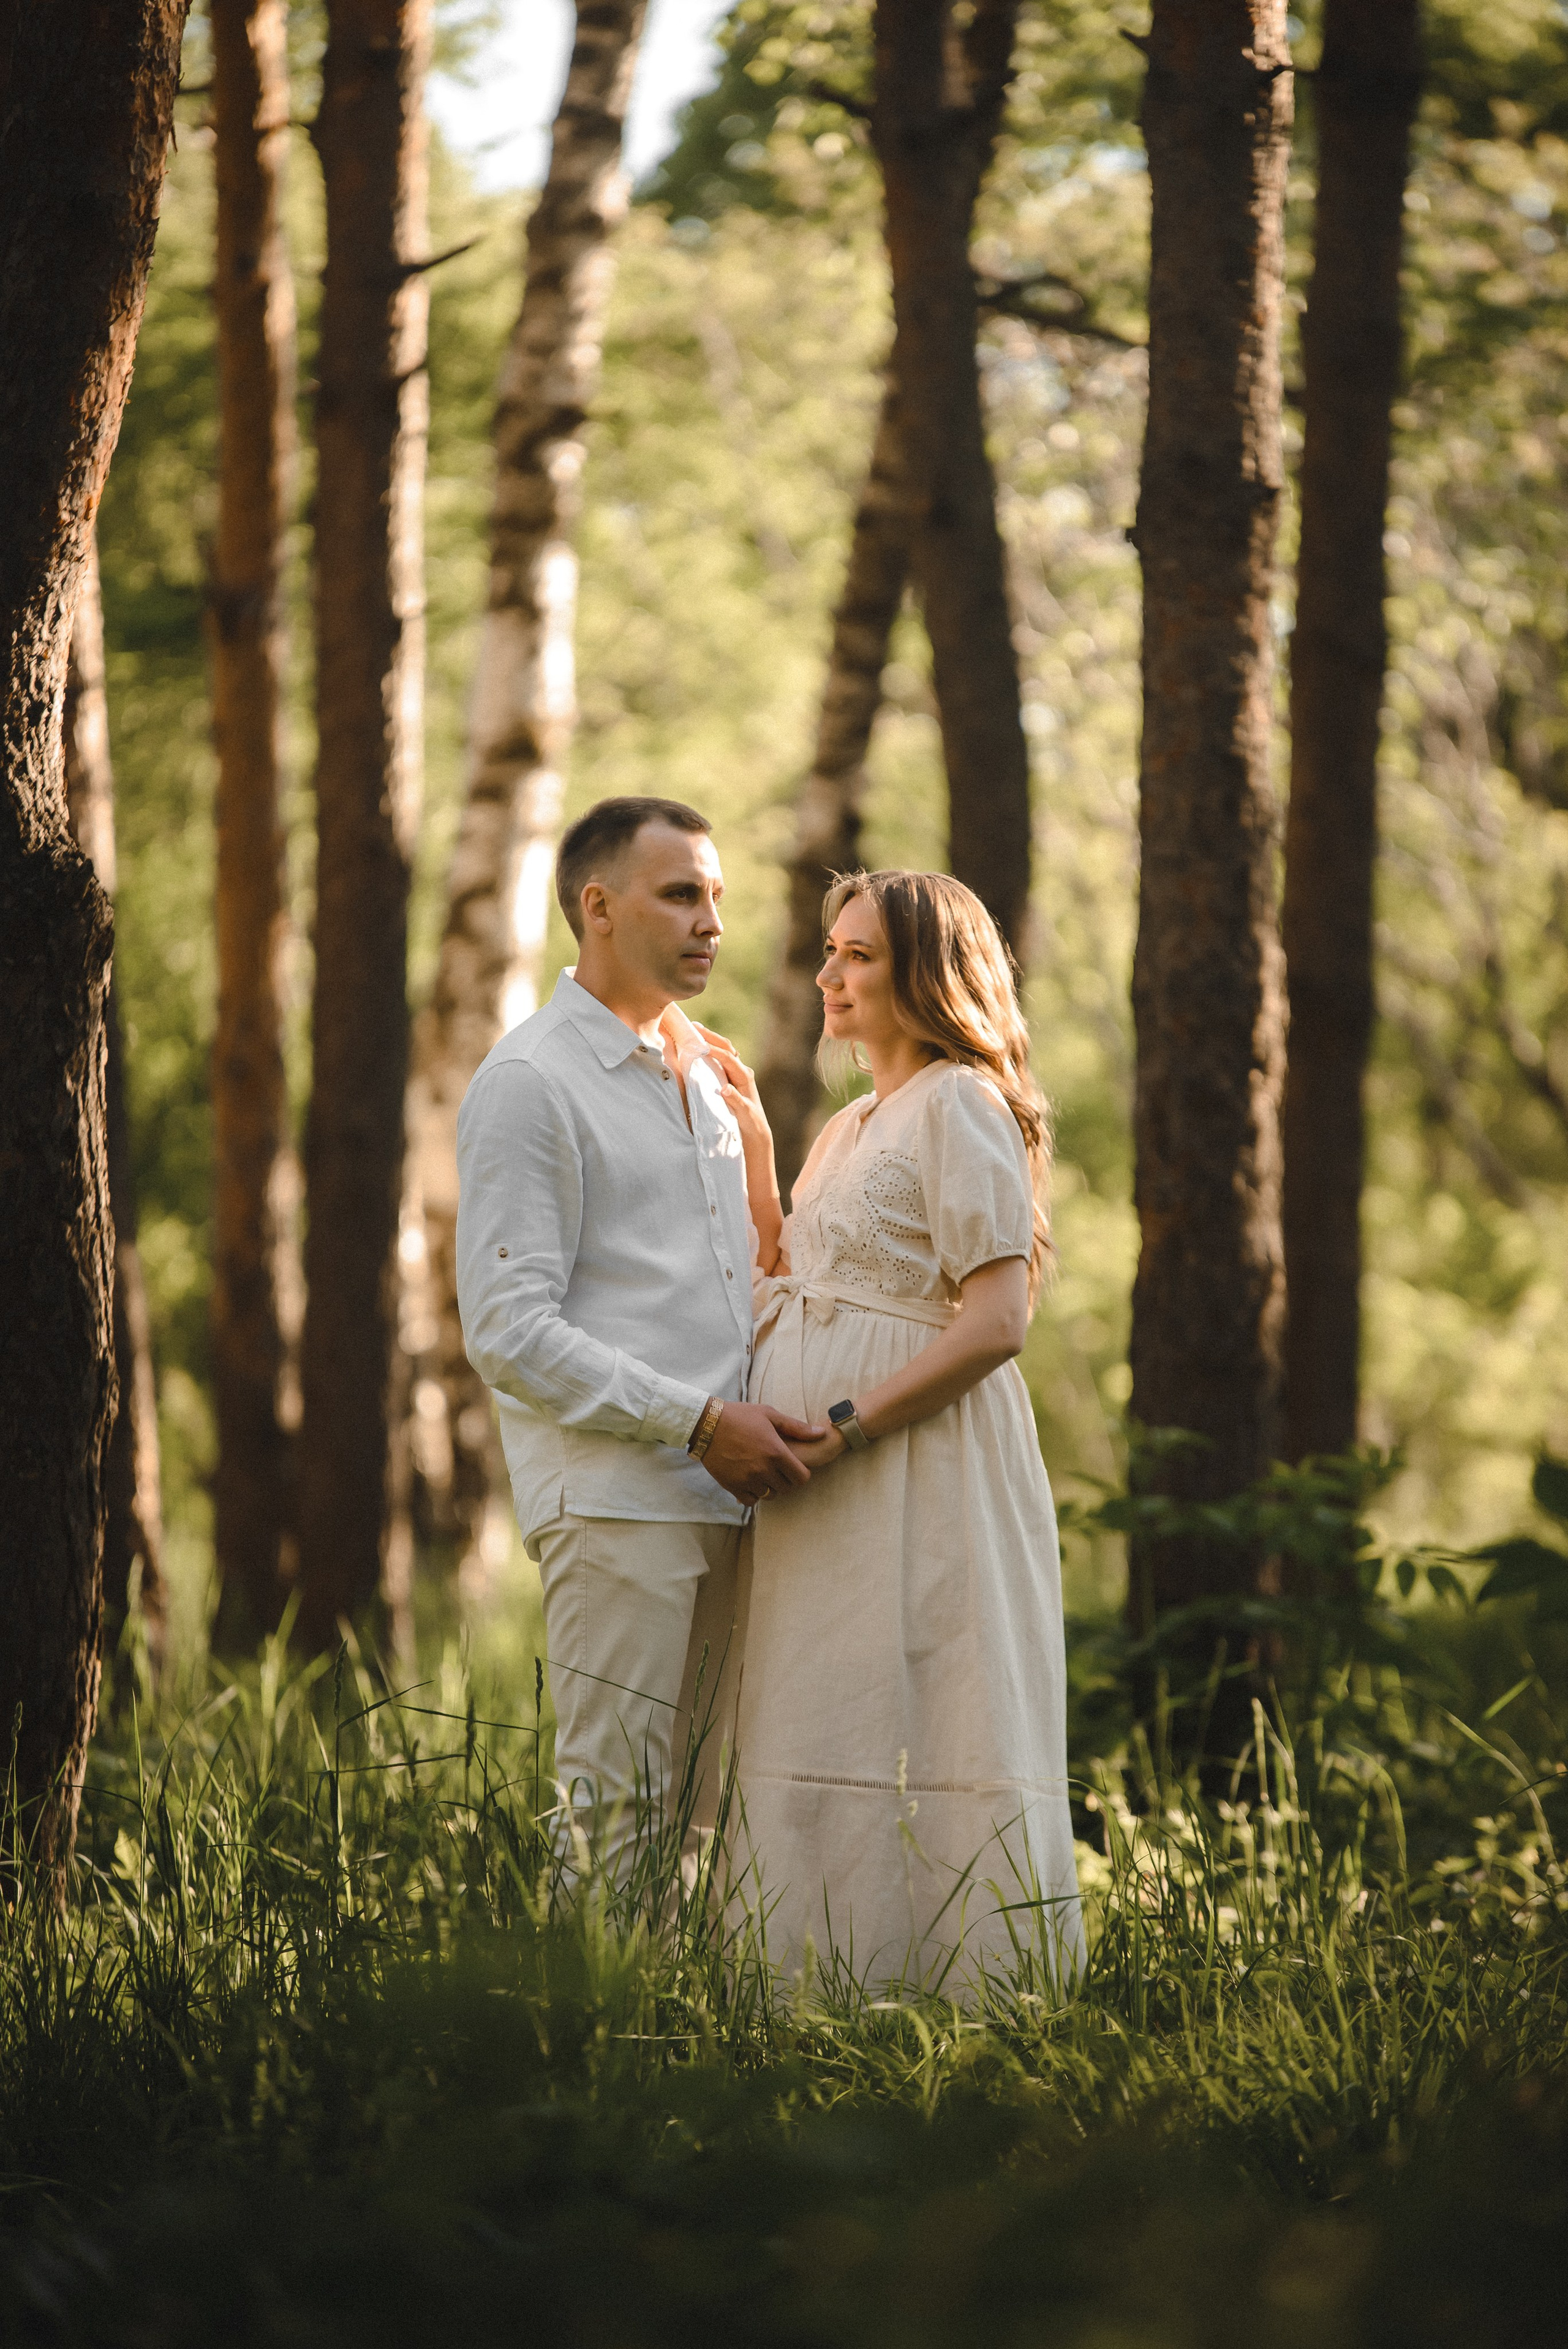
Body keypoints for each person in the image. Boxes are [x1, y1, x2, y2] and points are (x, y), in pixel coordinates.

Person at [729, 869, 1084, 1994]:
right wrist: (748, 1149)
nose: (830, 974)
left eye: (861, 956)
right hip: (824, 1478)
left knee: (932, 1701)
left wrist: (848, 1422)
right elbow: (799, 1271)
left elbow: (995, 1320)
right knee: (828, 1701)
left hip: (916, 1459)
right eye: (830, 952)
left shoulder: (965, 1101)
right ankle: (813, 1985)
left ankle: (959, 1996)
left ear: (928, 972)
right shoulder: (848, 1123)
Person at [454, 796, 821, 1875]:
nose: (712, 920)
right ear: (598, 906)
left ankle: (683, 2047)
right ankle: (592, 2045)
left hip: (737, 1496)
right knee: (618, 1816)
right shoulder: (531, 1083)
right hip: (619, 1501)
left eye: (716, 896)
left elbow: (740, 1277)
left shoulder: (707, 1077)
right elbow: (509, 1332)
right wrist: (700, 1422)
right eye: (682, 894)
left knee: (713, 1822)